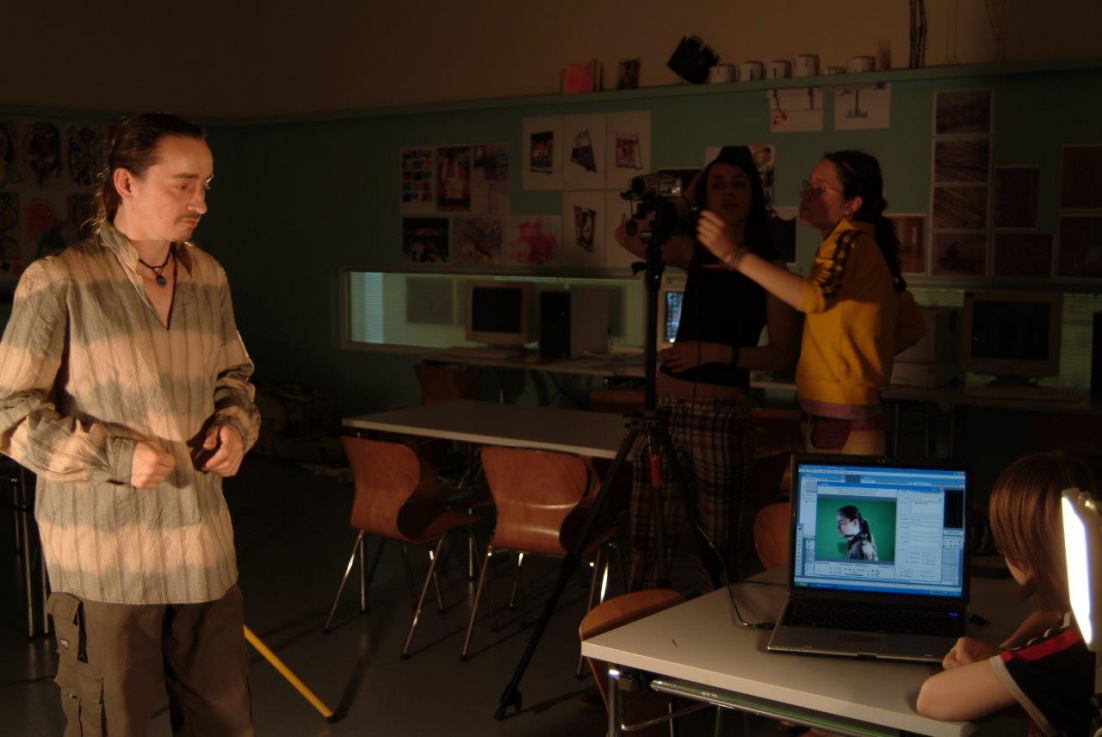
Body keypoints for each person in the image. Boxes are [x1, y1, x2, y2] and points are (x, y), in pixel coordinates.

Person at [0, 113, 260, 735]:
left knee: (224, 723)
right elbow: (11, 413)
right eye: (183, 184)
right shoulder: (59, 281)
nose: (201, 203)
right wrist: (114, 456)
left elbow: (235, 376)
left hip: (202, 549)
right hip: (107, 562)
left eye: (206, 185)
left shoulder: (208, 277)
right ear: (126, 182)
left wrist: (235, 426)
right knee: (113, 727)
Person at [615, 146, 798, 591]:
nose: (728, 193)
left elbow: (782, 354)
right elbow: (627, 234)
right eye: (717, 185)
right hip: (665, 411)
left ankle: (717, 625)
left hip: (721, 416)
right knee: (648, 536)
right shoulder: (692, 252)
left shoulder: (768, 267)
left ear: (754, 194)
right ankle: (642, 622)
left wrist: (715, 353)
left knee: (720, 545)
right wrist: (684, 198)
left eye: (738, 183)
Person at [698, 150, 926, 455]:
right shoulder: (863, 247)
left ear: (851, 205)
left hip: (841, 417)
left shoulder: (848, 241)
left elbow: (812, 297)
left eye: (821, 188)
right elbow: (913, 325)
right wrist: (857, 358)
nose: (806, 193)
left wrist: (734, 255)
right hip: (841, 413)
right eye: (808, 184)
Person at [916, 453, 1097, 735]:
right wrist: (1006, 653)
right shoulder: (1088, 613)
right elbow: (1052, 613)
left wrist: (1000, 664)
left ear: (1023, 552)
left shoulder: (1073, 649)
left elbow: (931, 698)